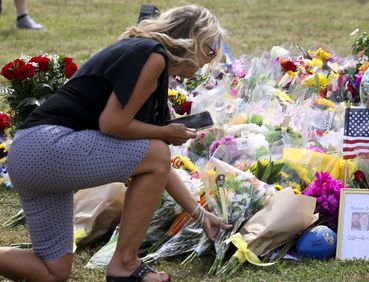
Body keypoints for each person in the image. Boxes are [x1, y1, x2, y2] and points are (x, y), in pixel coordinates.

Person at [0, 4, 227, 282]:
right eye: (210, 47)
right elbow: (113, 125)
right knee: (156, 150)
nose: (211, 57)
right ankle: (125, 265)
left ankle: (124, 264)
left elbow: (156, 164)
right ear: (192, 39)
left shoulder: (142, 53)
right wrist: (165, 134)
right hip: (46, 148)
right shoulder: (151, 56)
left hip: (30, 155)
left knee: (53, 272)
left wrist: (201, 215)